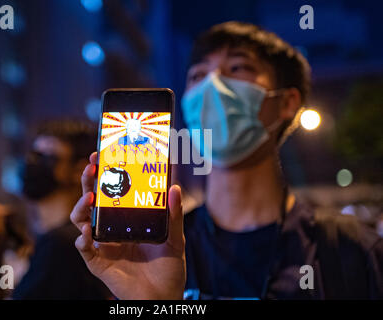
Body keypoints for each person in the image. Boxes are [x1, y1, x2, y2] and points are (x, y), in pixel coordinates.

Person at [70, 22, 383, 300]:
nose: (211, 87)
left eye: (237, 68)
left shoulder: (350, 252)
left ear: (287, 102)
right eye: (198, 75)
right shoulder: (153, 249)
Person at [0, 119, 111, 299]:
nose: (33, 163)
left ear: (78, 170)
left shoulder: (62, 244)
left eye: (47, 158)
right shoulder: (54, 239)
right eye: (33, 155)